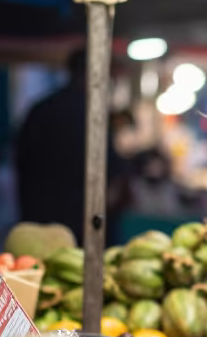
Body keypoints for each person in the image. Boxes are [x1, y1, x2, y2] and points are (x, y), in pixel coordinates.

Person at [15, 49, 125, 243]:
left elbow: (20, 162)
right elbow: (113, 171)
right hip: (84, 224)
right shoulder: (95, 114)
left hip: (38, 219)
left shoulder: (40, 109)